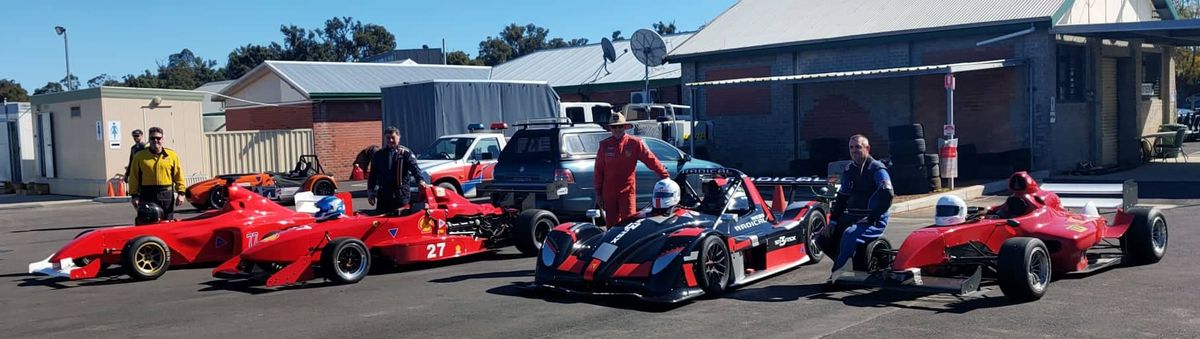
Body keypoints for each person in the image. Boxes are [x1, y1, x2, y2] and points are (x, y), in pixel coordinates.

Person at [825, 134, 894, 282]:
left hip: (873, 220)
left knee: (849, 234)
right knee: (822, 236)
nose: (854, 150)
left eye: (858, 147)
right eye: (851, 147)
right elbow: (842, 198)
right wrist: (833, 221)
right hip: (852, 217)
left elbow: (888, 195)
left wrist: (871, 218)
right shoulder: (849, 169)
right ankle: (849, 261)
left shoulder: (877, 169)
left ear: (867, 148)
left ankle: (837, 275)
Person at [594, 112, 669, 226]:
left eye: (620, 126)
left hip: (627, 191)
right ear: (610, 128)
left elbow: (651, 160)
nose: (617, 129)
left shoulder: (635, 143)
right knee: (611, 226)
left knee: (629, 224)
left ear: (625, 127)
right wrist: (598, 193)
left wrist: (665, 176)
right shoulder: (604, 145)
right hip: (609, 192)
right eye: (614, 126)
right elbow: (598, 170)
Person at [128, 127, 186, 221]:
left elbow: (178, 175)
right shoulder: (140, 156)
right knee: (147, 222)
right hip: (147, 194)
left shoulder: (172, 155)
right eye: (152, 138)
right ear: (149, 139)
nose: (156, 140)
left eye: (158, 138)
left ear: (163, 139)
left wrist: (181, 193)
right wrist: (134, 195)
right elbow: (134, 177)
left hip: (166, 194)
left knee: (167, 222)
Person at [368, 127, 426, 215]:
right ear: (384, 138)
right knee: (382, 223)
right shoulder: (378, 155)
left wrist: (420, 181)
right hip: (384, 196)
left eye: (393, 138)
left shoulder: (406, 153)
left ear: (399, 138)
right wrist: (370, 192)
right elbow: (373, 175)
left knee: (402, 223)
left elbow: (415, 169)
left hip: (401, 195)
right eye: (388, 138)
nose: (390, 140)